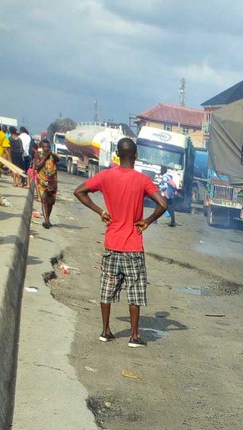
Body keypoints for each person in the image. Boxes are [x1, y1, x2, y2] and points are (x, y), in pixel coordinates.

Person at [74, 138, 168, 348]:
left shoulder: (106, 176)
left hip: (112, 242)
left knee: (106, 288)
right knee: (134, 291)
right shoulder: (142, 180)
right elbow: (163, 204)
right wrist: (147, 221)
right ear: (135, 156)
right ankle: (134, 336)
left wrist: (100, 211)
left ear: (117, 154)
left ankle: (106, 330)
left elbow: (79, 191)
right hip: (133, 245)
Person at [33, 139, 59, 228]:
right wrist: (45, 157)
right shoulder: (38, 154)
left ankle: (48, 218)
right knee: (44, 200)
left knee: (50, 202)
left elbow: (58, 159)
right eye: (45, 147)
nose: (47, 148)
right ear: (41, 147)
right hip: (42, 181)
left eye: (48, 147)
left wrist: (52, 155)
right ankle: (46, 220)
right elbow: (36, 166)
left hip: (52, 182)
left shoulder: (52, 156)